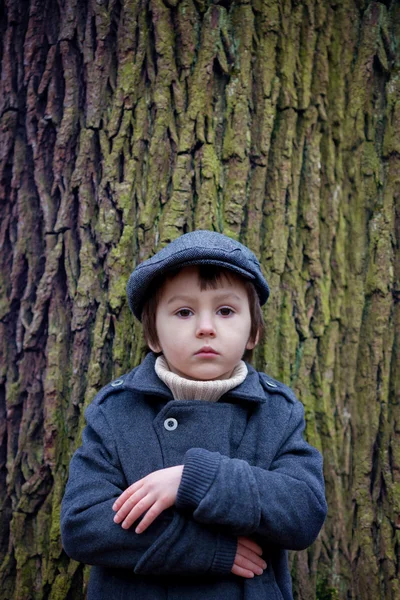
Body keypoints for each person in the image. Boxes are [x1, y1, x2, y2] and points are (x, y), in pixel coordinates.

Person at [60, 230, 327, 600]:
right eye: (184, 312)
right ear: (153, 335)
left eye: (226, 311)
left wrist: (196, 480)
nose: (205, 327)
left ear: (253, 332)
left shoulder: (276, 411)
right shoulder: (117, 410)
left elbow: (303, 512)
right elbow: (83, 525)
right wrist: (206, 549)